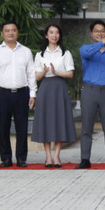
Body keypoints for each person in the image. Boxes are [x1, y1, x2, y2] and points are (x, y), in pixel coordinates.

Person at [0, 22, 37, 168]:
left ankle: (21, 158)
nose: (11, 33)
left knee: (22, 127)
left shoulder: (26, 51)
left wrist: (33, 93)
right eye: (7, 31)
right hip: (2, 94)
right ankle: (6, 158)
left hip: (22, 93)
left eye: (13, 30)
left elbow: (31, 73)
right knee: (3, 126)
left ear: (17, 32)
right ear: (2, 33)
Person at [78, 20, 105, 169]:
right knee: (87, 127)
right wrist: (104, 41)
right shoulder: (86, 49)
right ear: (91, 34)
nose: (99, 33)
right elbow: (87, 53)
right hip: (89, 90)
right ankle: (85, 159)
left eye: (102, 31)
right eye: (96, 31)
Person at [32, 24, 76, 168]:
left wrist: (56, 72)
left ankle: (57, 156)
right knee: (46, 120)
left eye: (57, 33)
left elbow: (70, 73)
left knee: (59, 120)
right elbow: (36, 77)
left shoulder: (65, 53)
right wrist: (45, 72)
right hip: (45, 88)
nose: (54, 35)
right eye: (51, 32)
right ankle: (48, 157)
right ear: (46, 35)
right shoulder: (40, 54)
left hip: (59, 87)